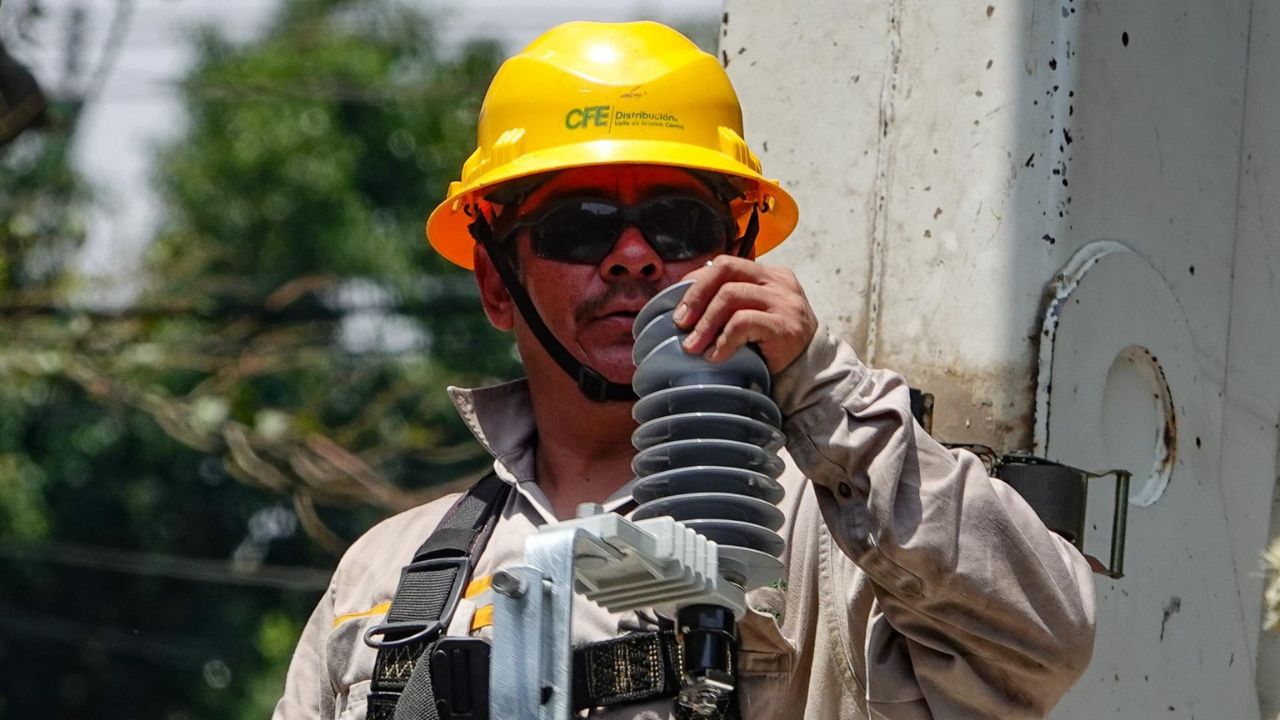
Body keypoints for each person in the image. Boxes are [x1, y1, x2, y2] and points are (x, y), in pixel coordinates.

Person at [273, 20, 1095, 720]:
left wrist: (819, 383)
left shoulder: (832, 531)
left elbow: (1042, 643)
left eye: (676, 223)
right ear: (497, 282)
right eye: (581, 223)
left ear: (736, 259)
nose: (632, 258)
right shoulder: (389, 579)